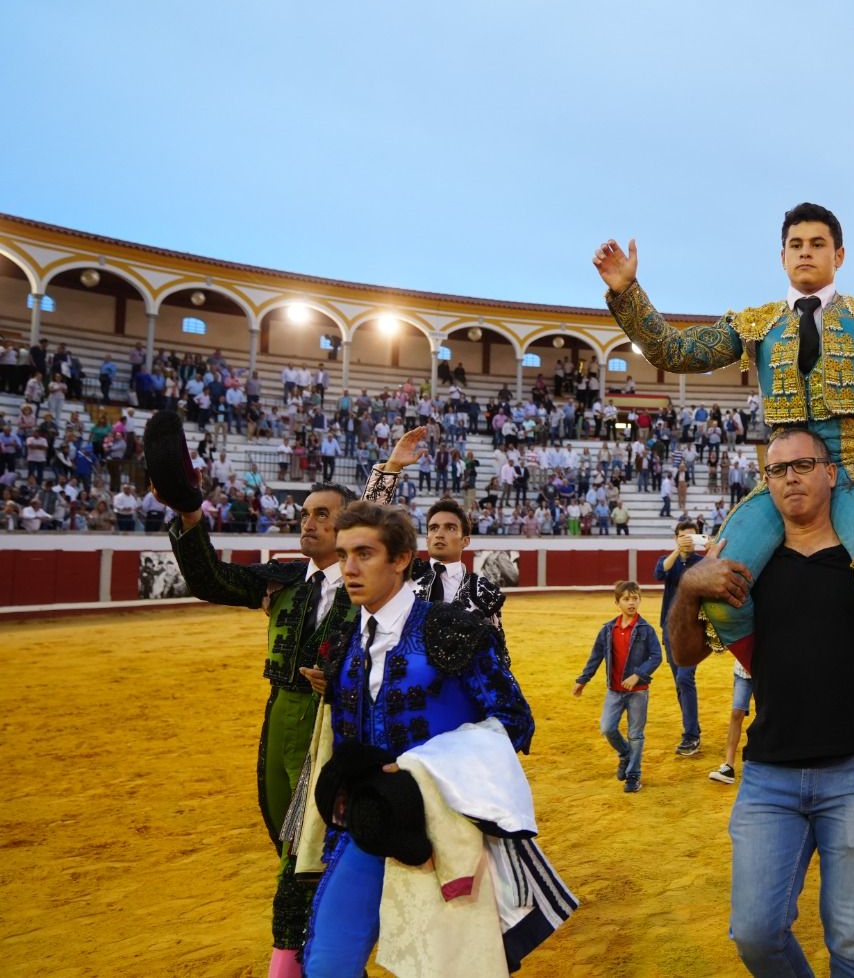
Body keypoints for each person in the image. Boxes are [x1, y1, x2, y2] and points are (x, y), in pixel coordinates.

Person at [595, 202, 854, 669]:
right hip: (783, 472)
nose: (806, 253)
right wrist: (628, 292)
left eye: (818, 244)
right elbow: (675, 351)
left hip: (850, 468)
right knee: (717, 585)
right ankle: (774, 672)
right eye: (796, 245)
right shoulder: (756, 324)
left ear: (840, 255)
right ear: (782, 257)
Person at [665, 426, 854, 976]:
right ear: (766, 483)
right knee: (755, 934)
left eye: (804, 465)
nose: (790, 477)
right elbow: (686, 655)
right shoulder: (750, 569)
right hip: (770, 773)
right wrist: (689, 588)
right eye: (777, 469)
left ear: (831, 474)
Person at [294, 501, 560, 977]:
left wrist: (424, 767)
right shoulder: (345, 642)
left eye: (365, 554)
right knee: (327, 963)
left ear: (400, 560)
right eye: (343, 554)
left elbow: (516, 721)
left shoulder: (452, 628)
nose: (349, 568)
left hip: (444, 834)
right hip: (368, 825)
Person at [148, 410, 360, 971]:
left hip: (334, 724)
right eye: (306, 514)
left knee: (315, 846)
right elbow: (208, 579)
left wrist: (340, 681)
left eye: (323, 515)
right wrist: (190, 513)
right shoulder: (284, 578)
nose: (308, 523)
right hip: (281, 717)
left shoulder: (369, 587)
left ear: (348, 528)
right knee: (289, 839)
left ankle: (303, 953)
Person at [362, 427, 507, 631]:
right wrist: (392, 467)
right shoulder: (404, 574)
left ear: (465, 540)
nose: (439, 534)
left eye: (450, 528)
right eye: (433, 528)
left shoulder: (482, 591)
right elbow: (364, 531)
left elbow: (496, 656)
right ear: (427, 536)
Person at [574, 580, 661, 793]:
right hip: (614, 689)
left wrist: (637, 675)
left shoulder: (646, 629)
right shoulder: (607, 630)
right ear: (617, 602)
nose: (631, 603)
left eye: (635, 598)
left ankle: (633, 775)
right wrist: (583, 679)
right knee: (607, 728)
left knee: (636, 735)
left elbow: (657, 656)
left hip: (638, 692)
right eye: (626, 599)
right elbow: (596, 656)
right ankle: (625, 754)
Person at [654, 521, 705, 756]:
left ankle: (691, 735)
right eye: (683, 537)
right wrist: (677, 550)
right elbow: (658, 573)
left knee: (685, 678)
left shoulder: (703, 563)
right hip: (669, 629)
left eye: (691, 537)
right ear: (676, 538)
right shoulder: (670, 561)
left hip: (692, 630)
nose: (687, 541)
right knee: (680, 682)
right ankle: (692, 729)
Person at [708, 659, 753, 786]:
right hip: (742, 671)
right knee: (736, 713)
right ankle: (729, 766)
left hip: (765, 671)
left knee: (765, 713)